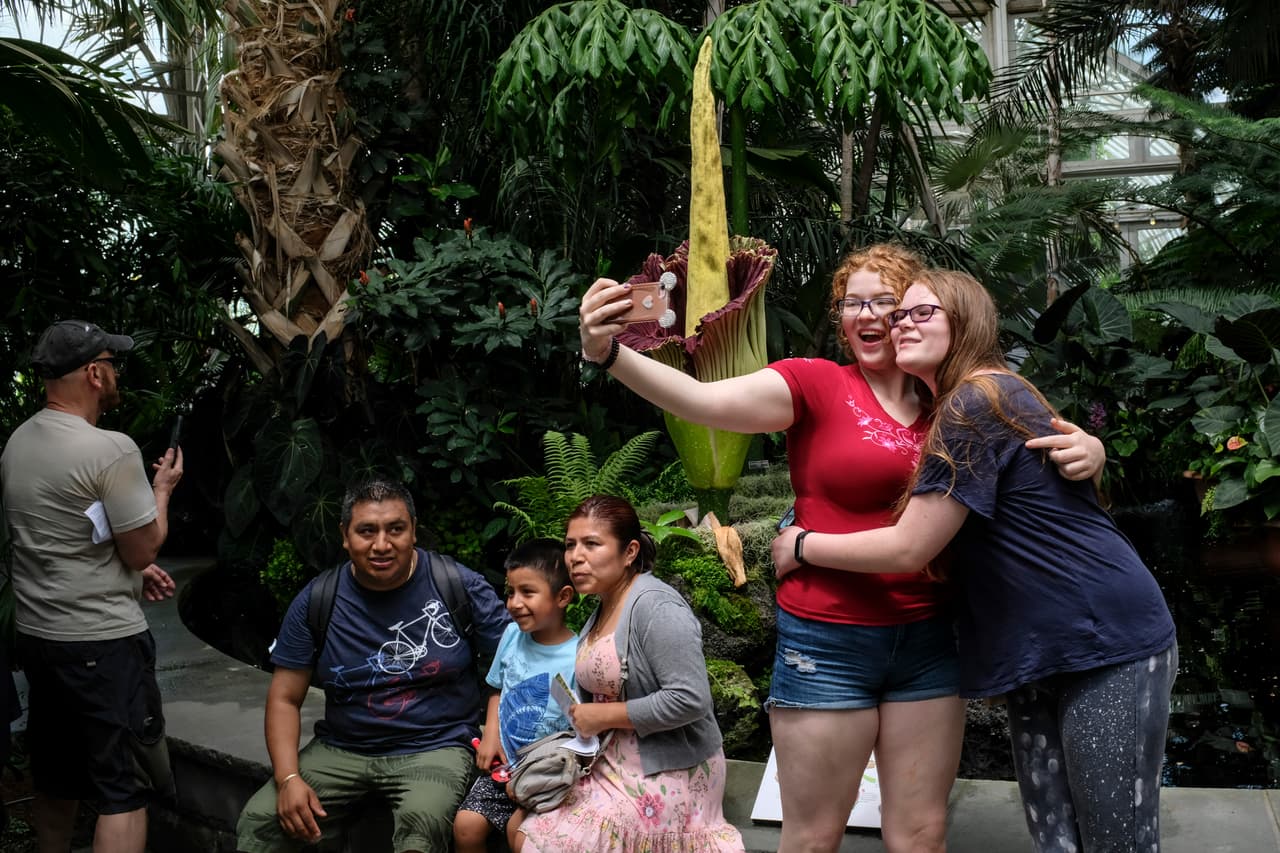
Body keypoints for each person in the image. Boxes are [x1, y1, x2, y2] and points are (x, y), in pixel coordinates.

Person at [576, 245, 1105, 853]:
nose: (871, 315)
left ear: (913, 313)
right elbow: (702, 402)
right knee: (812, 838)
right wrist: (609, 353)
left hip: (931, 639)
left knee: (921, 834)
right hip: (827, 643)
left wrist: (1092, 451)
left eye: (887, 301)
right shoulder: (815, 383)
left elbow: (1036, 450)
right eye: (854, 303)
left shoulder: (953, 400)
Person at [771, 267, 1177, 853]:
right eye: (899, 313)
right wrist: (1096, 449)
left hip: (1106, 641)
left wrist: (801, 545)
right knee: (1056, 837)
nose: (900, 323)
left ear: (965, 322)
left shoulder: (973, 402)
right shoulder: (974, 401)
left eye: (922, 312)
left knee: (1116, 840)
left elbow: (911, 546)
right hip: (1035, 650)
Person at [235, 478, 510, 853]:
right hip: (343, 747)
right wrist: (287, 779)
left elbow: (515, 663)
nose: (382, 544)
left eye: (395, 529)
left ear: (413, 530)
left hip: (436, 744)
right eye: (367, 531)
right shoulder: (318, 599)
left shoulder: (457, 585)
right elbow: (284, 697)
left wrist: (493, 725)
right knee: (260, 823)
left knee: (422, 828)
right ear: (345, 536)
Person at [0, 319, 183, 853]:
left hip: (41, 640)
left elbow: (62, 534)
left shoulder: (19, 442)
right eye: (114, 363)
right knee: (122, 790)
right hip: (103, 645)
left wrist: (129, 569)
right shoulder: (109, 448)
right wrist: (162, 490)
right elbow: (143, 546)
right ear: (95, 373)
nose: (118, 373)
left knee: (56, 779)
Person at [516, 495, 744, 853]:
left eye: (592, 544)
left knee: (559, 843)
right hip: (611, 761)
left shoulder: (657, 606)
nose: (575, 557)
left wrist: (604, 715)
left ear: (629, 552)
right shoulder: (604, 605)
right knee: (525, 828)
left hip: (668, 770)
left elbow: (690, 699)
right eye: (570, 545)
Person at [453, 538, 579, 853]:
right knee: (465, 827)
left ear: (563, 597)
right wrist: (491, 734)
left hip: (546, 778)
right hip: (502, 768)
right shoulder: (512, 636)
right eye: (510, 592)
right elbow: (497, 688)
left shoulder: (578, 656)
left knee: (518, 832)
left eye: (527, 592)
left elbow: (581, 728)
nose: (513, 603)